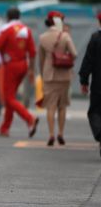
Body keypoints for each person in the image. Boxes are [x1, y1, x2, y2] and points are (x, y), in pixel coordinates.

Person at [0, 7, 39, 137]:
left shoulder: (6, 29)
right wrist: (31, 70)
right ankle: (4, 128)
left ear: (8, 17)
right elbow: (33, 52)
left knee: (9, 98)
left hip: (11, 66)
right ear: (19, 17)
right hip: (24, 65)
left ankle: (30, 119)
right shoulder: (26, 30)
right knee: (11, 96)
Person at [38, 11, 77, 146]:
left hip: (49, 75)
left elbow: (41, 60)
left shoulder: (42, 37)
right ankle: (60, 133)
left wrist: (43, 74)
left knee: (50, 106)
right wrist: (65, 56)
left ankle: (51, 134)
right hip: (64, 75)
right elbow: (75, 53)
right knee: (62, 106)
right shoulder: (65, 36)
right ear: (60, 22)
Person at [79, 12, 101, 156]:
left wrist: (84, 81)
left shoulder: (95, 38)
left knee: (95, 112)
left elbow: (88, 61)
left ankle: (100, 133)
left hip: (99, 84)